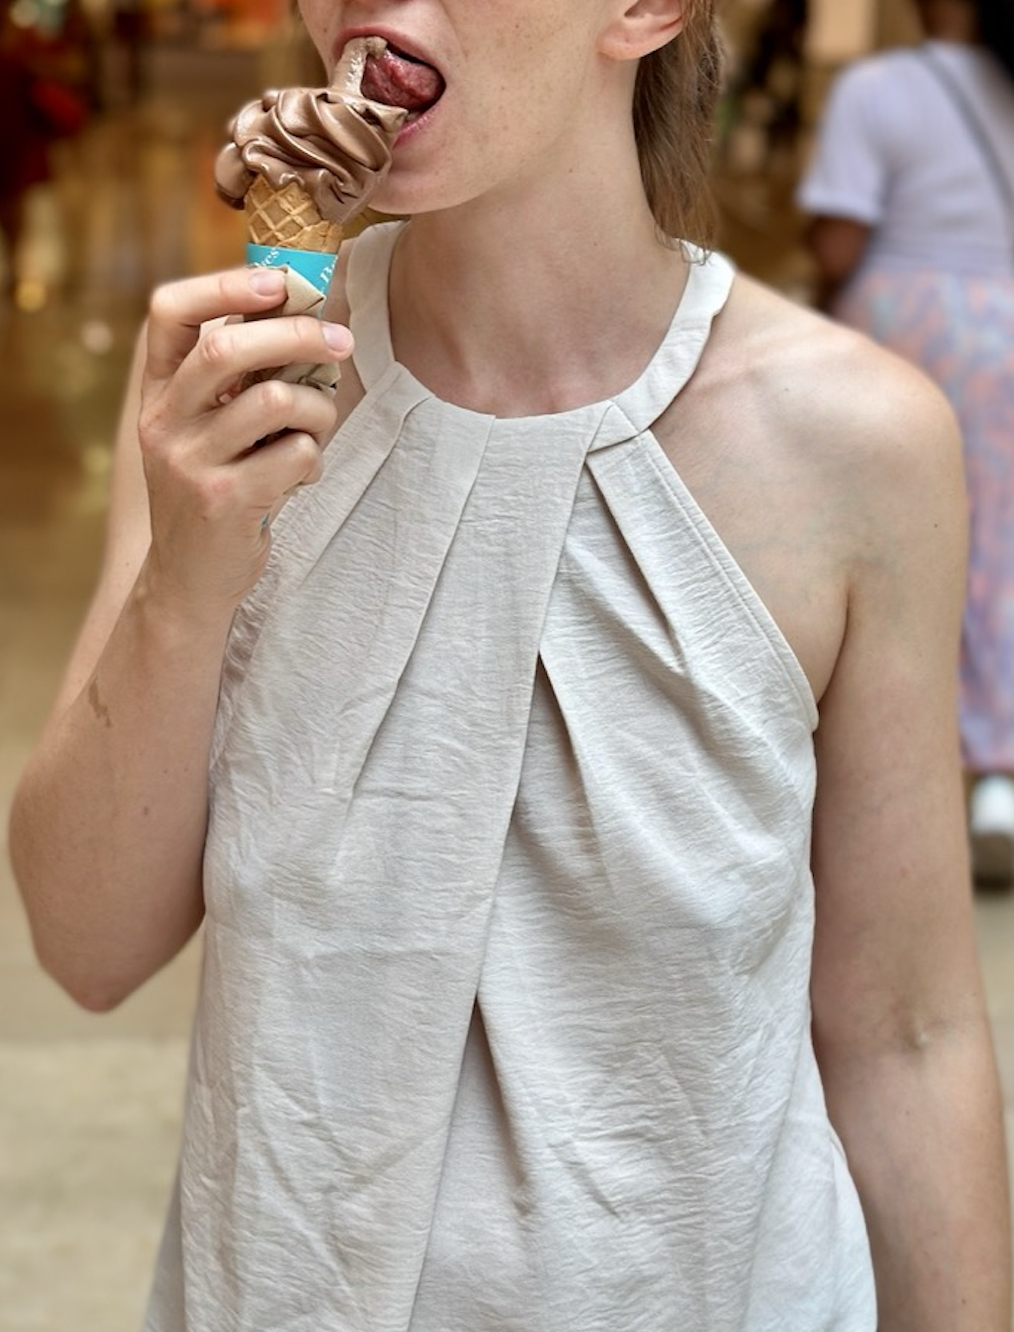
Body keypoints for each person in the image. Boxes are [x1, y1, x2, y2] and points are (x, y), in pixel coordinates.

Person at [7, 0, 1011, 1326]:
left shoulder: (854, 444)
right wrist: (188, 572)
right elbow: (84, 945)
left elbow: (908, 1037)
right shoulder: (230, 393)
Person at [797, 0, 1014, 886]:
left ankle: (875, 784)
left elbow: (838, 241)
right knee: (997, 552)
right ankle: (997, 778)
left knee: (884, 550)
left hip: (907, 328)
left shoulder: (880, 86)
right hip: (1007, 325)